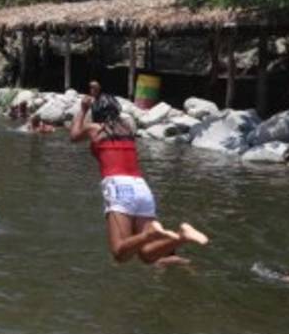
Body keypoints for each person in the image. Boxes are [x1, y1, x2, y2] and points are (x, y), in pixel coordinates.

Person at [70, 93, 209, 265]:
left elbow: (74, 135)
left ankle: (150, 234)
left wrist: (83, 110)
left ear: (97, 112)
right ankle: (182, 236)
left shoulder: (94, 128)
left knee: (119, 253)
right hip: (141, 187)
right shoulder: (128, 127)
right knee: (147, 256)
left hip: (118, 187)